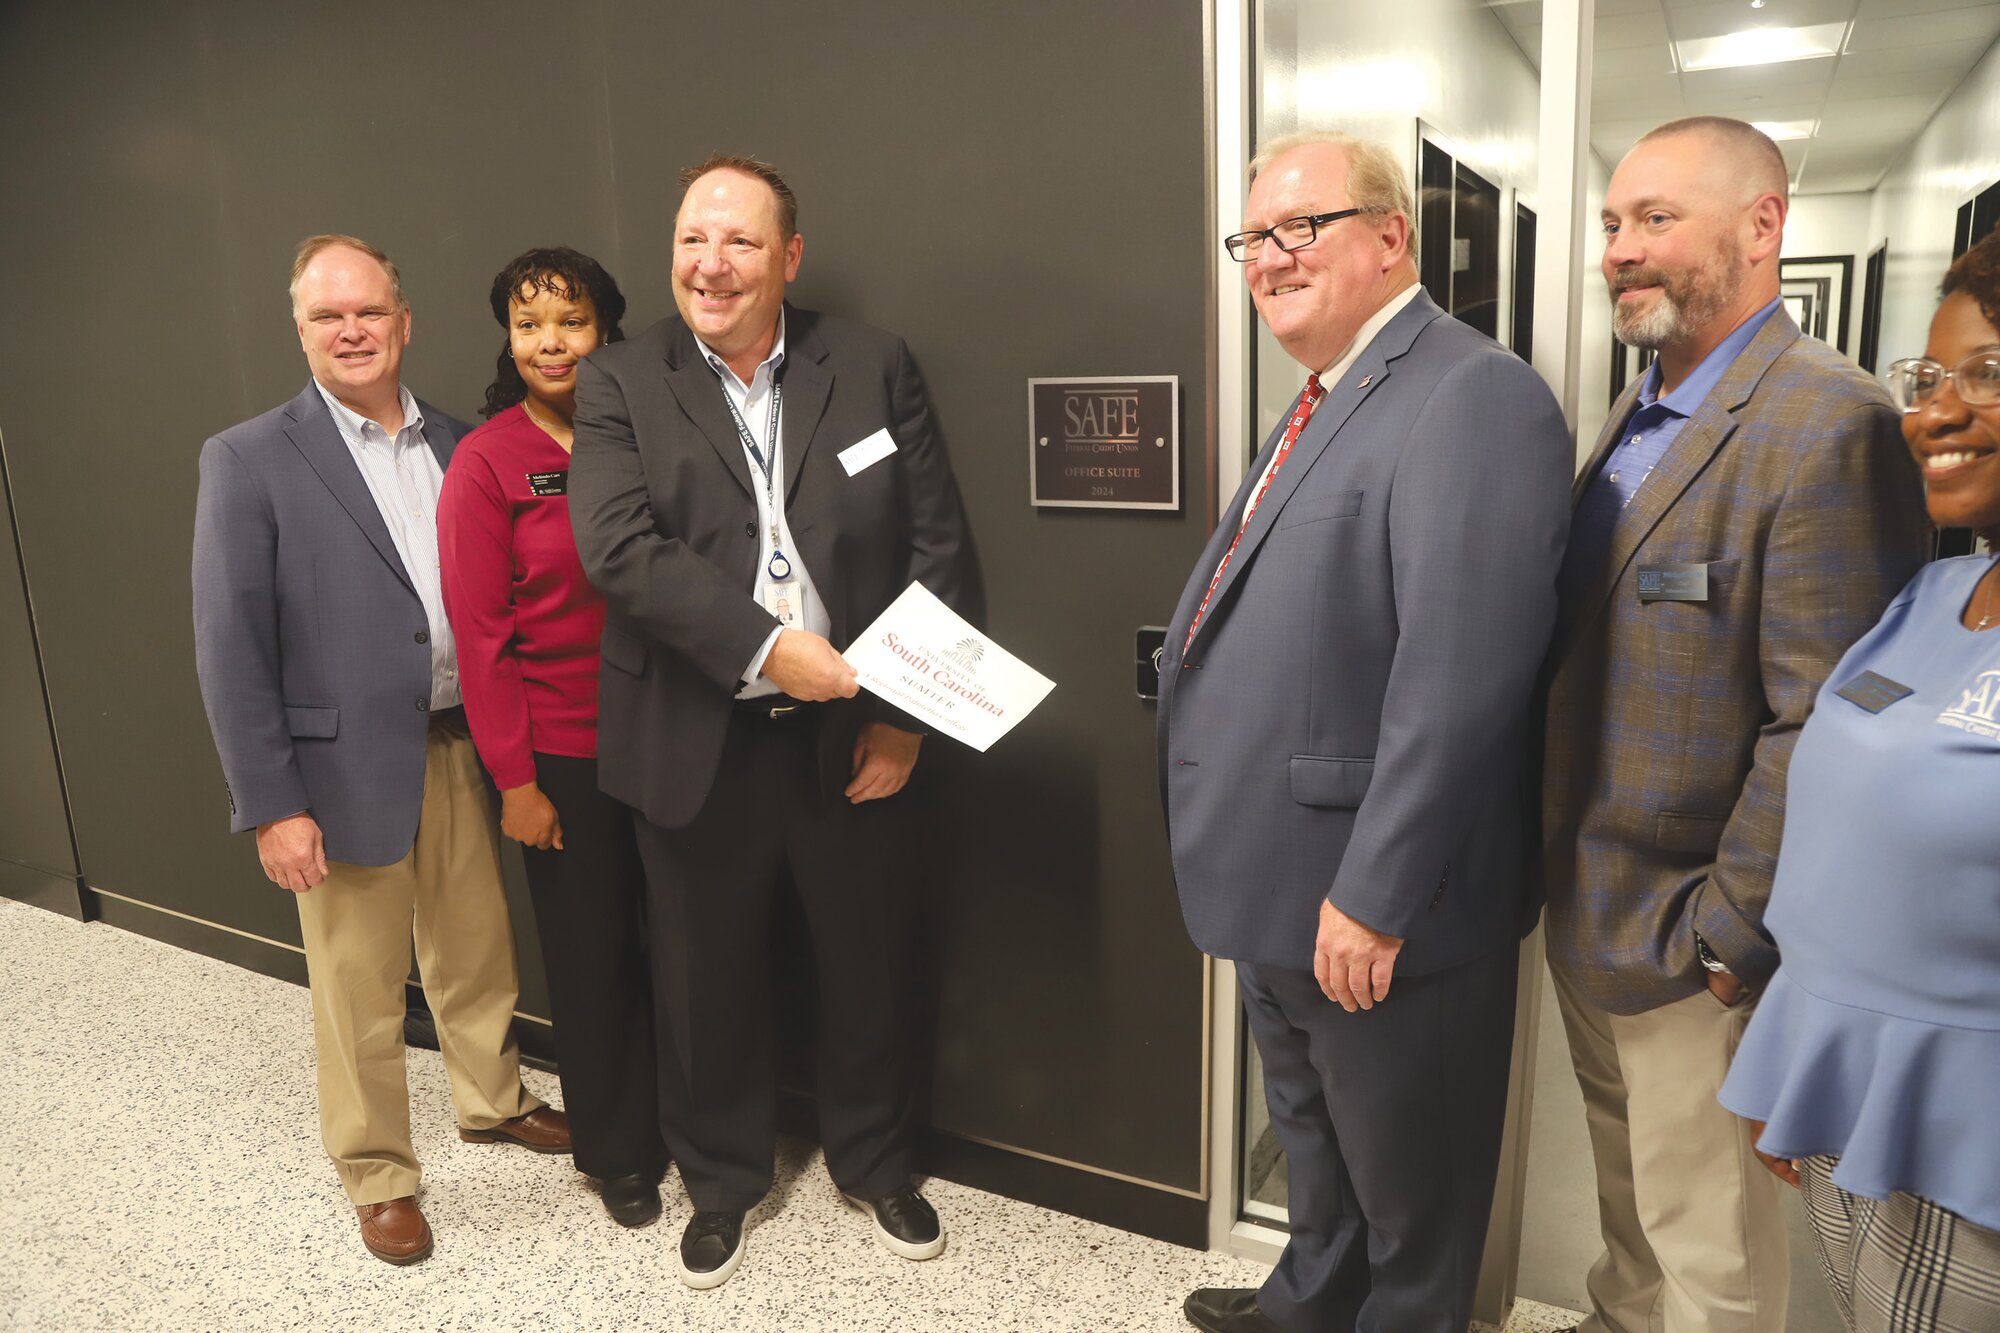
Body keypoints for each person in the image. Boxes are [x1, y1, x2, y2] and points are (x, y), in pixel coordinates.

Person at [1160, 130, 1572, 1333]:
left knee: (1411, 1205)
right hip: (1278, 884)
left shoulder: (1469, 392)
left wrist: (1378, 891)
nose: (1269, 257)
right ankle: (1305, 1303)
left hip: (1374, 904)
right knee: (1317, 1159)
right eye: (1253, 237)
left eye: (1303, 227)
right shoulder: (1327, 398)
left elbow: (1462, 674)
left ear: (1391, 236)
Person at [1540, 117, 1929, 1333]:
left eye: (1655, 219)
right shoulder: (1630, 414)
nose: (1618, 249)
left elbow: (1828, 714)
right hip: (1584, 905)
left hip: (1690, 938)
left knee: (1711, 1251)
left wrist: (1726, 936)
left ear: (1761, 227)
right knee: (1629, 1208)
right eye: (1611, 224)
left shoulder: (1828, 423)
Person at [567, 154, 980, 1289]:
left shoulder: (873, 363)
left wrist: (901, 721)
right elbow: (616, 548)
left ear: (788, 257)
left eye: (741, 242)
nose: (712, 263)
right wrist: (765, 647)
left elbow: (935, 549)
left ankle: (879, 1162)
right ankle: (720, 1180)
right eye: (693, 238)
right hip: (695, 736)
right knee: (702, 983)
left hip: (853, 739)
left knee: (868, 964)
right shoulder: (618, 380)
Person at [191, 235, 570, 1267]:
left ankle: (490, 1099)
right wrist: (271, 801)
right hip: (336, 766)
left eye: (368, 311)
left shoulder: (466, 440)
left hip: (460, 742)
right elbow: (230, 644)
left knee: (475, 949)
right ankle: (377, 1172)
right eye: (327, 316)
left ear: (403, 322)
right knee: (359, 984)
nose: (351, 330)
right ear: (302, 331)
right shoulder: (249, 457)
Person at [1720, 230, 2000, 1333]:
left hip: (1964, 1129)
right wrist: (1795, 1044)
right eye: (1926, 379)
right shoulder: (1936, 595)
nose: (1930, 413)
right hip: (1844, 1087)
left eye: (1983, 373)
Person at [437, 247, 667, 1229]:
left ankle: (696, 1124)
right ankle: (618, 1153)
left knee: (687, 949)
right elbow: (481, 639)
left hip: (672, 737)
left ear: (606, 330)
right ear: (508, 340)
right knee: (593, 954)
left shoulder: (653, 436)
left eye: (569, 320)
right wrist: (515, 782)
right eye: (528, 325)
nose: (549, 341)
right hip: (563, 758)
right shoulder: (486, 461)